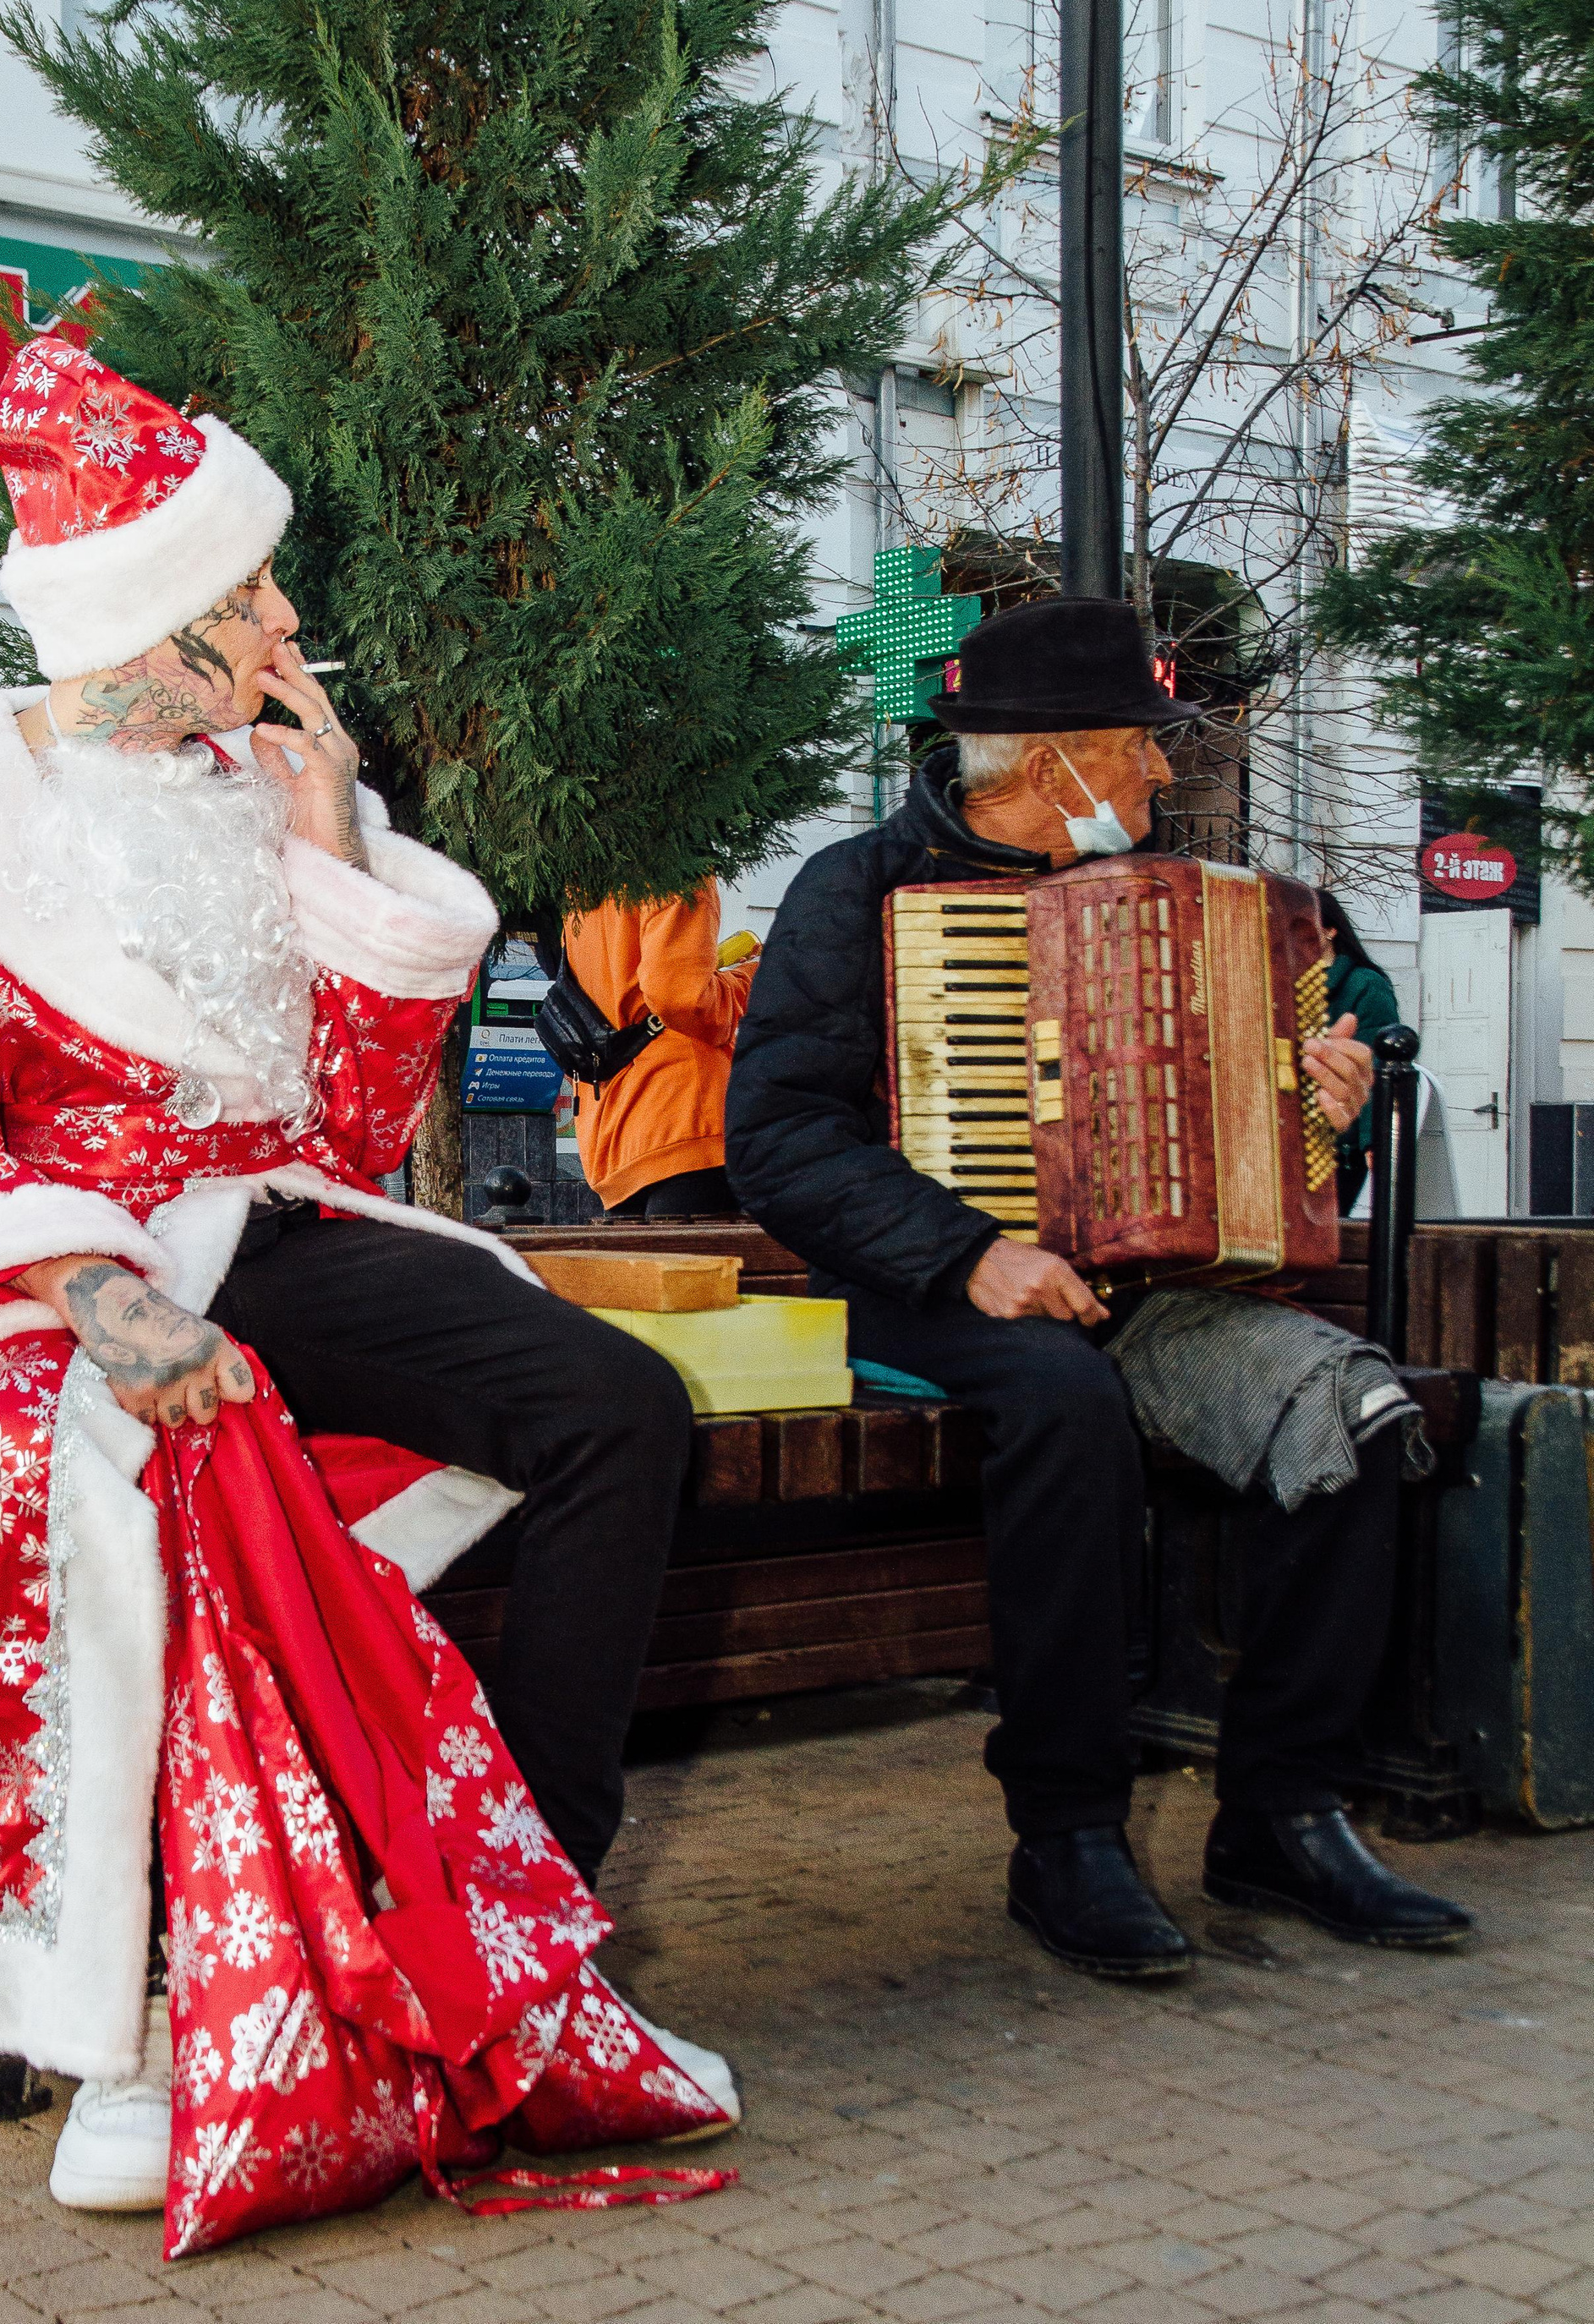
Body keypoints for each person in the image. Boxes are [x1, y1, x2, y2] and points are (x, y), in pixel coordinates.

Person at [0, 337, 736, 2253]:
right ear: (149, 617)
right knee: (135, 1501)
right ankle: (130, 2024)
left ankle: (524, 1918)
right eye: (249, 593)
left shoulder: (255, 780)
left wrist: (333, 863)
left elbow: (349, 1131)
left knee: (614, 1414)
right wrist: (104, 1305)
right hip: (55, 1283)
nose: (289, 620)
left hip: (275, 1232)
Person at [726, 597, 1473, 1982]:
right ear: (1063, 760)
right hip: (918, 1283)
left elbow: (1313, 1141)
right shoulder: (860, 890)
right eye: (1143, 746)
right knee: (1062, 1405)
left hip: (1146, 1290)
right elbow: (775, 1140)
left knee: (1357, 1413)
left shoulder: (1200, 903)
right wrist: (968, 1250)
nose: (1163, 776)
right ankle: (1066, 1832)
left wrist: (1333, 1104)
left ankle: (1283, 1809)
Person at [561, 883, 759, 1220]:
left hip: (613, 1131)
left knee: (644, 1270)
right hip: (688, 1116)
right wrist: (755, 977)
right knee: (707, 1272)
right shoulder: (676, 865)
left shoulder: (584, 875)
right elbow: (683, 997)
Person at [1315, 888, 1402, 1211]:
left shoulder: (1366, 984)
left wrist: (1373, 1140)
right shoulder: (1281, 980)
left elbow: (1377, 1067)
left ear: (1330, 929)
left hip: (1340, 1143)